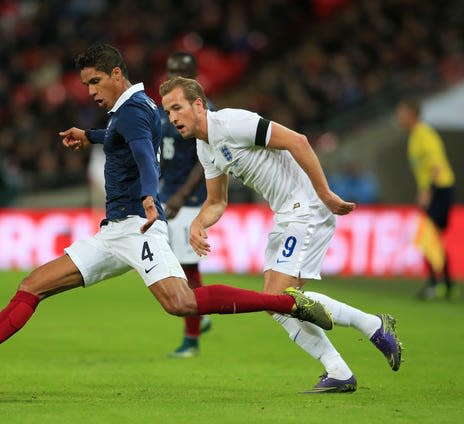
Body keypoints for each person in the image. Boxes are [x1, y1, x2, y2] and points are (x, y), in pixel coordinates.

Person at [0, 43, 334, 385]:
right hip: (112, 233)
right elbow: (125, 136)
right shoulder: (136, 108)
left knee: (181, 303)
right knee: (33, 285)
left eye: (94, 82)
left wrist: (150, 196)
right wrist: (91, 136)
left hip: (138, 228)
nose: (89, 91)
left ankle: (283, 302)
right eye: (86, 84)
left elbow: (142, 154)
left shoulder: (135, 110)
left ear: (116, 72)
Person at [160, 76, 403, 393]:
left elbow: (297, 141)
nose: (172, 118)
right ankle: (339, 370)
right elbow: (217, 201)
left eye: (177, 108)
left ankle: (371, 325)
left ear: (197, 104)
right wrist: (198, 224)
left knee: (280, 296)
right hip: (286, 214)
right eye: (167, 112)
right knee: (276, 303)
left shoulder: (233, 122)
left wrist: (325, 194)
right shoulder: (204, 148)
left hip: (307, 208)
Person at [159, 52, 212, 358]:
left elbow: (206, 160)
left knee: (187, 269)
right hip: (168, 197)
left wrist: (181, 195)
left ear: (193, 74)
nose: (173, 74)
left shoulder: (202, 109)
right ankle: (200, 318)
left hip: (189, 201)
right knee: (176, 266)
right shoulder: (164, 107)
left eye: (180, 71)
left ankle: (192, 339)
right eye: (170, 69)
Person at [396, 99, 456, 300]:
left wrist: (428, 190)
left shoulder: (424, 134)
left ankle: (437, 284)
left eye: (402, 113)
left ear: (412, 114)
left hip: (440, 189)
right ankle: (444, 285)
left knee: (429, 238)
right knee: (431, 239)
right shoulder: (415, 136)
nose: (399, 118)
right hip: (436, 189)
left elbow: (436, 164)